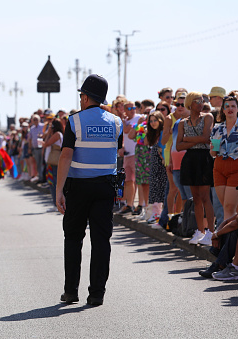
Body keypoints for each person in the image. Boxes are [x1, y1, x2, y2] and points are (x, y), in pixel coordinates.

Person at [56, 74, 122, 306]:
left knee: (74, 238)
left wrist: (59, 191)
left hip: (78, 187)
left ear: (84, 97)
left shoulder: (74, 122)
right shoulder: (116, 122)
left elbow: (66, 156)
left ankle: (71, 291)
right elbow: (117, 152)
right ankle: (96, 294)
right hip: (105, 187)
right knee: (101, 240)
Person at [177, 92, 215, 245]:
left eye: (202, 101)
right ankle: (200, 231)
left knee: (206, 197)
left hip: (204, 158)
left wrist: (186, 139)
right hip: (190, 159)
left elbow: (207, 138)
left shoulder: (208, 117)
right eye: (197, 101)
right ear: (189, 103)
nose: (200, 103)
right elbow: (178, 146)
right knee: (196, 198)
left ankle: (211, 232)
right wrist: (192, 141)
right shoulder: (182, 123)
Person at [210, 96, 238, 220]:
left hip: (237, 166)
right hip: (219, 167)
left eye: (233, 106)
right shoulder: (217, 128)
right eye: (227, 106)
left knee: (229, 207)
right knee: (229, 207)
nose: (230, 109)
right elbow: (213, 153)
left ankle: (228, 238)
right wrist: (213, 148)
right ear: (223, 110)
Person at [118, 101, 142, 214]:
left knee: (138, 181)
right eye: (129, 108)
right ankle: (129, 204)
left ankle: (141, 205)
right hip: (127, 155)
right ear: (125, 110)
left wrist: (123, 121)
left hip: (137, 154)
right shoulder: (125, 121)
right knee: (128, 181)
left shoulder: (139, 118)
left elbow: (127, 130)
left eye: (134, 107)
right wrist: (122, 147)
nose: (132, 110)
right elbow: (124, 136)